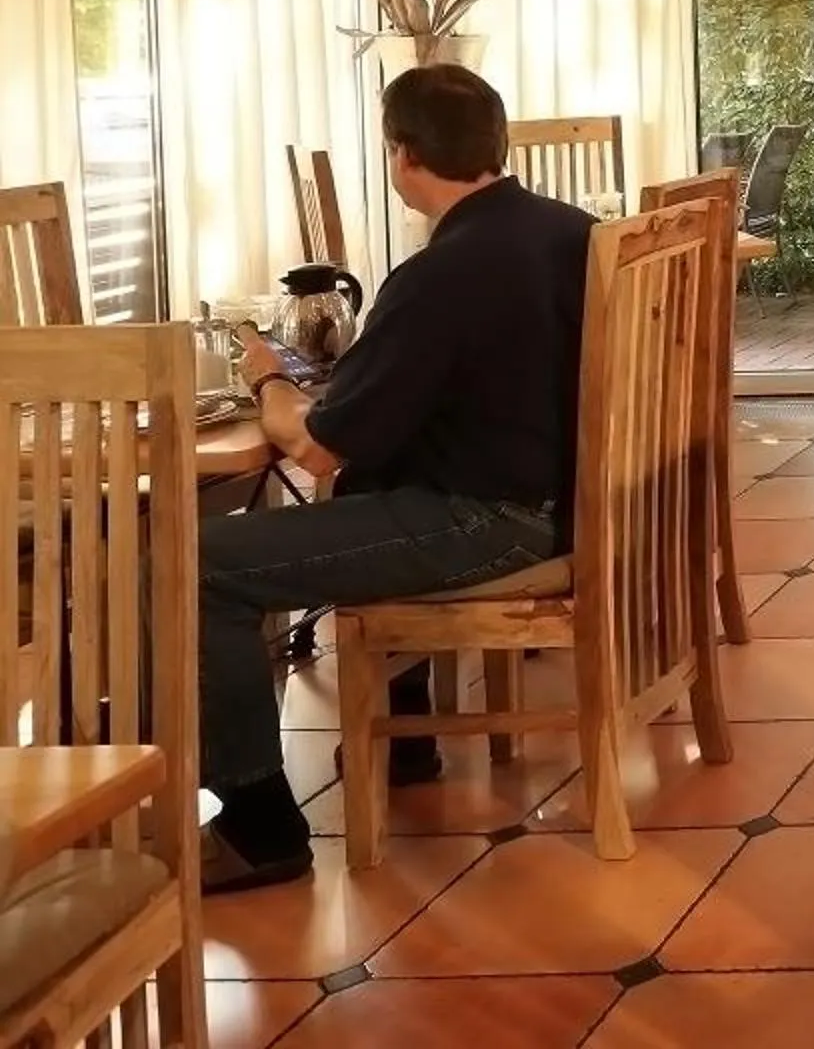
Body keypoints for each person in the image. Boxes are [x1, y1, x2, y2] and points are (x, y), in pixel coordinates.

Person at [196, 65, 593, 891]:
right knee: (386, 468)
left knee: (202, 567)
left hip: (497, 519)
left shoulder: (442, 273)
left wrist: (267, 376)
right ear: (497, 140)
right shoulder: (572, 229)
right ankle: (404, 731)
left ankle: (259, 826)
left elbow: (315, 450)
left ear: (402, 157)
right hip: (572, 498)